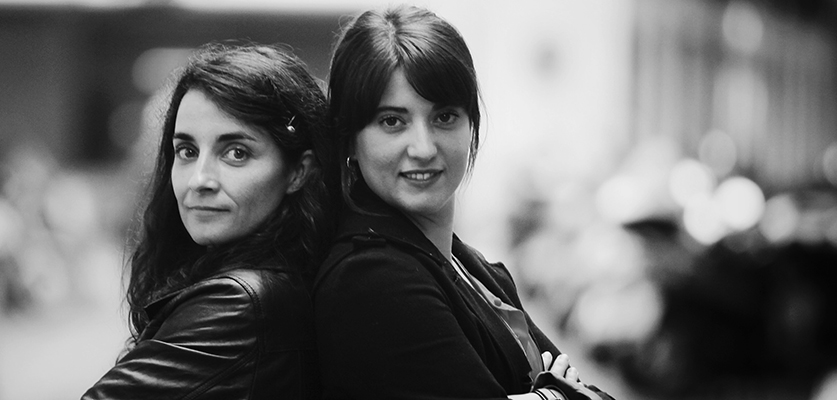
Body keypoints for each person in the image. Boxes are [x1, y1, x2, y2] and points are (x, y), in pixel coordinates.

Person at [313, 6, 614, 400]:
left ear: (471, 124)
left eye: (444, 117)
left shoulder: (469, 265)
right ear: (350, 139)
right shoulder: (372, 279)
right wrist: (554, 394)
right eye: (392, 121)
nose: (423, 148)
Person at [83, 42, 328, 399]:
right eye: (187, 151)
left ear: (298, 172)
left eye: (236, 153)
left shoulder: (240, 304)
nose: (199, 180)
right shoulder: (286, 279)